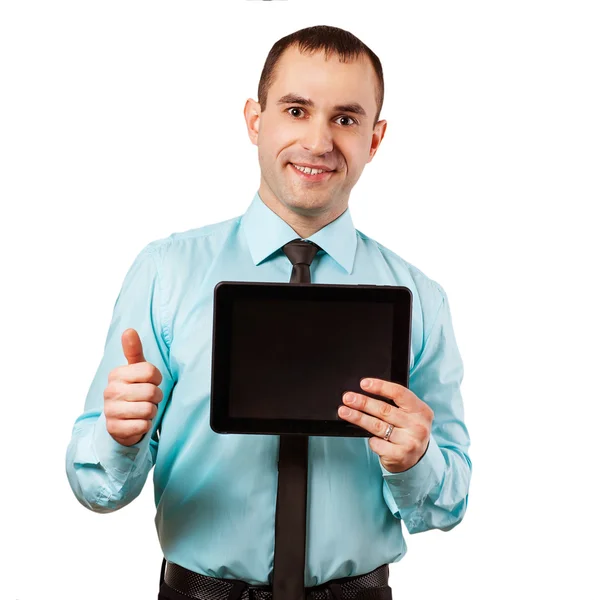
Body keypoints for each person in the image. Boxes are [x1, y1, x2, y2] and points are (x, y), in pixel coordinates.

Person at [65, 24, 472, 600]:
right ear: (256, 120)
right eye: (297, 110)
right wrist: (119, 435)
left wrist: (417, 459)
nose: (318, 141)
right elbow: (95, 485)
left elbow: (449, 501)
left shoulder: (420, 299)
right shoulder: (166, 273)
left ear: (375, 140)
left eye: (346, 119)